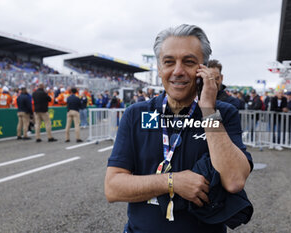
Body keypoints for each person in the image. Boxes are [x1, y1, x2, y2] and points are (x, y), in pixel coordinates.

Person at [105, 24, 253, 233]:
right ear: (159, 68)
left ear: (204, 69)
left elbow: (235, 180)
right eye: (169, 62)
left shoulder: (223, 114)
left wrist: (208, 111)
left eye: (189, 62)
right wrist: (171, 182)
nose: (178, 71)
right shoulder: (136, 114)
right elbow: (113, 187)